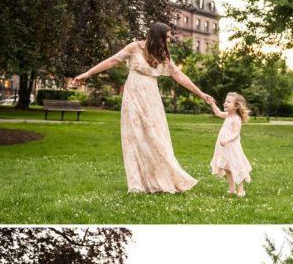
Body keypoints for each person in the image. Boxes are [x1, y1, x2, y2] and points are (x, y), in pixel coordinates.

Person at [74, 23, 215, 193]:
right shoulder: (135, 47)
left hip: (151, 98)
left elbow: (179, 76)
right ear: (158, 36)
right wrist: (88, 73)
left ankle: (160, 178)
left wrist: (200, 93)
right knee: (134, 136)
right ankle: (137, 183)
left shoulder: (163, 55)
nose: (170, 39)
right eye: (168, 36)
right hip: (133, 95)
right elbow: (112, 60)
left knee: (155, 136)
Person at [209, 91, 253, 197]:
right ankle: (232, 189)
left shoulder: (236, 119)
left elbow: (236, 133)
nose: (225, 103)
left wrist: (227, 140)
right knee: (227, 168)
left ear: (236, 106)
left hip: (232, 147)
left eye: (228, 102)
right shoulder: (228, 115)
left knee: (237, 167)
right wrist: (212, 103)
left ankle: (241, 191)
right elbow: (218, 113)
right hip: (225, 148)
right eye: (225, 101)